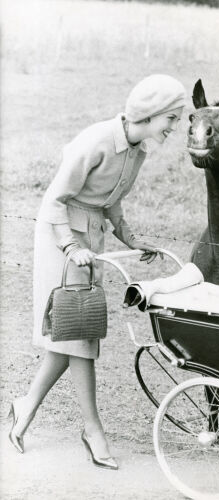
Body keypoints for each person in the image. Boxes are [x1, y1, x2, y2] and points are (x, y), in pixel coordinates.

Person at [8, 74, 186, 470]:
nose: (174, 127)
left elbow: (112, 203)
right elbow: (56, 198)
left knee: (73, 331)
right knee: (82, 334)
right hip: (61, 235)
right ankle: (93, 430)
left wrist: (133, 239)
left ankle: (25, 406)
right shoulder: (97, 140)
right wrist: (72, 247)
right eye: (172, 118)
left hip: (91, 237)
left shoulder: (138, 150)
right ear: (152, 112)